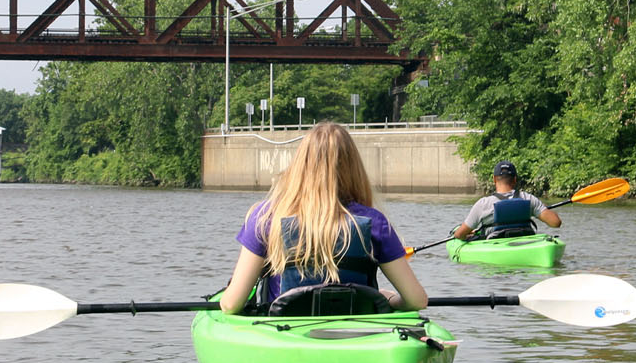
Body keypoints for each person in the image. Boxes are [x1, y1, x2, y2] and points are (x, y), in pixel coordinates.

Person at [219, 122, 427, 315]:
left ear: (300, 165)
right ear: (354, 169)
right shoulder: (374, 222)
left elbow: (231, 304)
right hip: (358, 330)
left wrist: (223, 298)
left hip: (285, 329)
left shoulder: (265, 218)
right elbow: (416, 301)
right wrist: (389, 300)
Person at [452, 160, 561, 241]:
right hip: (525, 244)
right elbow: (556, 223)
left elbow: (459, 235)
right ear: (514, 179)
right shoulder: (528, 199)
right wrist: (543, 209)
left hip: (494, 247)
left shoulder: (483, 204)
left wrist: (468, 234)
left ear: (494, 179)